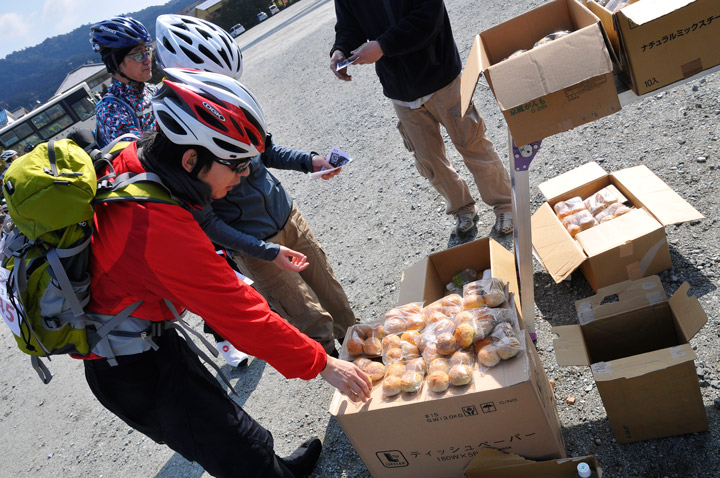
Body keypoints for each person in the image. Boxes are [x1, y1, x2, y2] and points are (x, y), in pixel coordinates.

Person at [85, 67, 372, 478]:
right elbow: (242, 316)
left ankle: (281, 466)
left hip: (146, 332)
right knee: (233, 451)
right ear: (190, 159)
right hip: (126, 364)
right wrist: (325, 365)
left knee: (229, 423)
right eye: (236, 165)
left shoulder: (141, 158)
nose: (242, 176)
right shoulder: (159, 227)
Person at [156, 15, 357, 356]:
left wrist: (309, 161)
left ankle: (359, 343)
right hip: (254, 243)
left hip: (288, 216)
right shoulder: (179, 139)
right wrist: (264, 251)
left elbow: (267, 150)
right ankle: (334, 366)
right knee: (304, 314)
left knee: (332, 294)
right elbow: (207, 223)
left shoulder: (227, 103)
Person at [329, 0, 514, 236]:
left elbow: (429, 15)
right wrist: (340, 50)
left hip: (441, 76)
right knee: (429, 160)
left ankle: (504, 203)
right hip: (400, 89)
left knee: (472, 143)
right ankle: (462, 208)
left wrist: (383, 46)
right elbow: (348, 26)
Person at [90, 16, 156, 148]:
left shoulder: (151, 90)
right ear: (116, 64)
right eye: (138, 55)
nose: (147, 60)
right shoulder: (110, 110)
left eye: (146, 51)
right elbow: (144, 155)